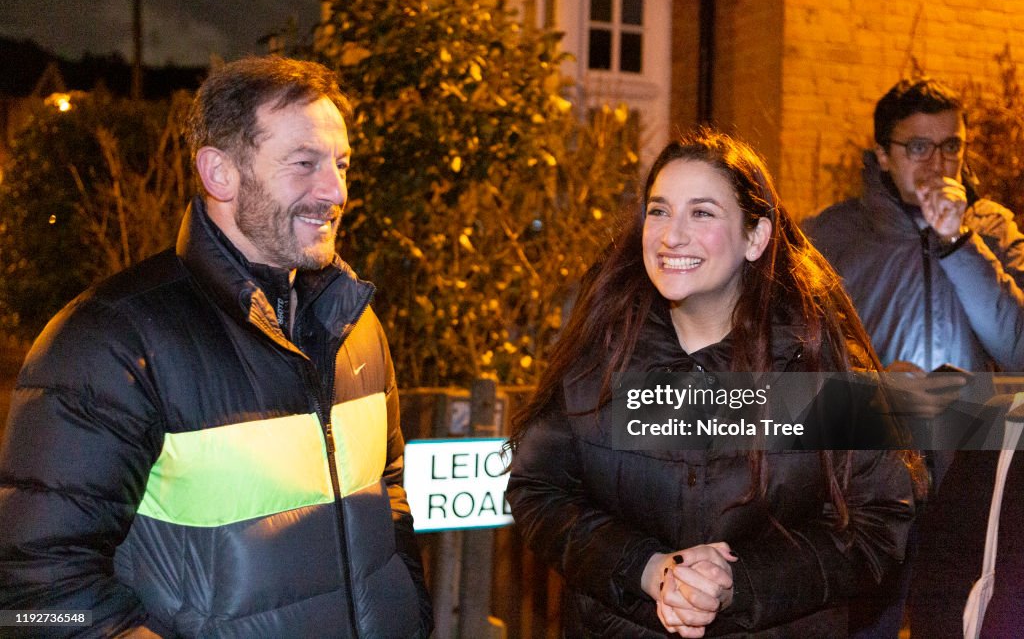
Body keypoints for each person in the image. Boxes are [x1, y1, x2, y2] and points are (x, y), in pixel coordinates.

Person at [0, 57, 432, 638]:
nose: (335, 190)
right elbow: (32, 590)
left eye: (342, 164)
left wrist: (410, 611)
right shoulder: (110, 341)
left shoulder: (356, 325)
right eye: (304, 164)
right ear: (219, 173)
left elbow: (389, 491)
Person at [506, 128, 917, 637]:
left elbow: (877, 523)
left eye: (701, 212)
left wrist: (738, 587)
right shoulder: (603, 357)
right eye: (659, 211)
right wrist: (649, 570)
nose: (671, 235)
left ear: (755, 237)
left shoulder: (817, 366)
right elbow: (539, 490)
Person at [804, 77, 1024, 637]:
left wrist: (958, 243)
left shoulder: (993, 231)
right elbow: (794, 357)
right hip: (869, 485)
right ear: (882, 154)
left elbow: (1017, 348)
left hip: (969, 483)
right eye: (918, 147)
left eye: (952, 145)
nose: (938, 163)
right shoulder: (832, 238)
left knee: (952, 621)